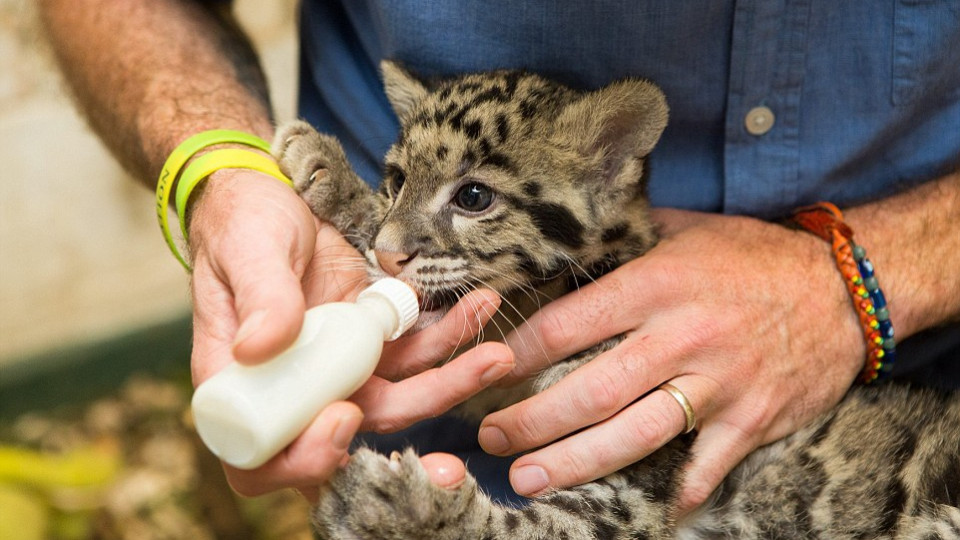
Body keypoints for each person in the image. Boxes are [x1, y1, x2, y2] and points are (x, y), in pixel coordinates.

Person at [39, 0, 960, 513]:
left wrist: (871, 272)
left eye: (472, 198)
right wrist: (225, 173)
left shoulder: (583, 182)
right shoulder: (427, 246)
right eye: (398, 190)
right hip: (422, 433)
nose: (396, 243)